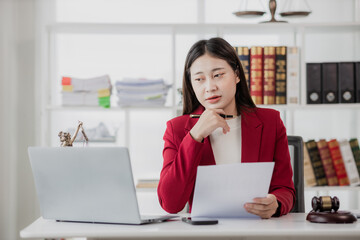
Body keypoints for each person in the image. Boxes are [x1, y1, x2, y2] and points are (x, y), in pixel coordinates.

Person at [157, 37, 295, 219]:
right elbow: (170, 204)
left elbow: (284, 188)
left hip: (258, 230)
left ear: (237, 75)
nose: (210, 87)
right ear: (191, 84)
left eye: (218, 75)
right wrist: (195, 135)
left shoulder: (271, 121)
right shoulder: (177, 129)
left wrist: (275, 203)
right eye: (199, 79)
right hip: (205, 234)